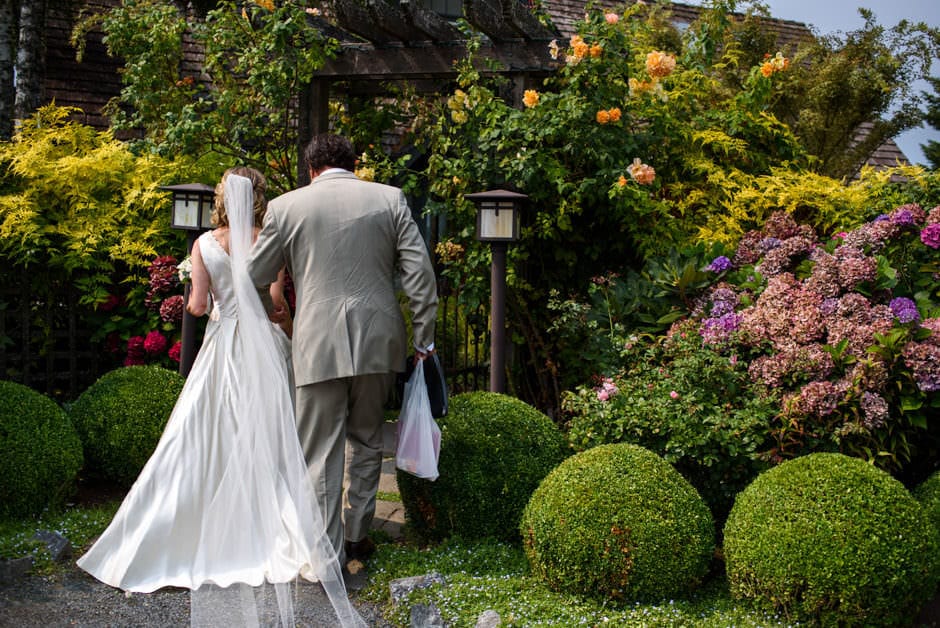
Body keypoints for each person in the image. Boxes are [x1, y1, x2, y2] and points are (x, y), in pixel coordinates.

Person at [76, 167, 364, 627]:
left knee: (202, 431)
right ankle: (270, 528)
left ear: (221, 198)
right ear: (258, 198)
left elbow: (196, 306)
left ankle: (185, 527)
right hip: (264, 350)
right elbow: (276, 304)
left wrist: (200, 294)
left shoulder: (204, 244)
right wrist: (286, 325)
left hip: (221, 346)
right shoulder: (268, 240)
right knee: (272, 435)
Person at [247, 134, 438, 567]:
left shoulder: (286, 206)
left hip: (315, 342)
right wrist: (423, 339)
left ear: (311, 169)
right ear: (355, 164)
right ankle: (357, 535)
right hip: (377, 340)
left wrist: (271, 312)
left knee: (319, 449)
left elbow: (254, 274)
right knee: (368, 439)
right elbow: (420, 277)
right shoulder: (390, 199)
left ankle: (323, 551)